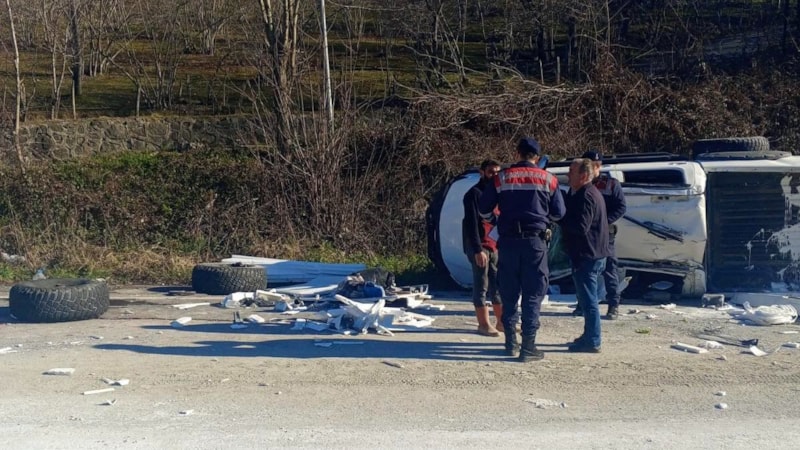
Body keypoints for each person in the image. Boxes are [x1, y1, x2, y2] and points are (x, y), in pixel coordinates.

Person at [479, 137, 565, 362]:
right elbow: (559, 213)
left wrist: (497, 223)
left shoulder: (501, 177)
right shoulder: (548, 179)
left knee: (509, 293)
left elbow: (483, 209)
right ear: (537, 156)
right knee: (533, 294)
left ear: (517, 153)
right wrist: (543, 219)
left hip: (508, 242)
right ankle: (528, 346)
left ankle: (510, 343)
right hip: (535, 243)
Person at [561, 158, 610, 353]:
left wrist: (560, 219)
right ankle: (589, 334)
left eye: (571, 171)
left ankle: (593, 340)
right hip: (589, 252)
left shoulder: (587, 195)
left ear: (582, 176)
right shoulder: (581, 193)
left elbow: (581, 227)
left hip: (588, 254)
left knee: (589, 300)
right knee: (586, 298)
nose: (568, 175)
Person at [572, 150, 627, 320]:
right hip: (584, 234)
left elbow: (621, 207)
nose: (594, 167)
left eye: (597, 164)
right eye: (591, 164)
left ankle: (613, 304)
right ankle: (582, 303)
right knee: (582, 270)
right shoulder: (580, 184)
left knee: (609, 269)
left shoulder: (610, 184)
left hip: (605, 233)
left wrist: (604, 221)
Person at [462, 159, 503, 337]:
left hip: (495, 245)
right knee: (482, 285)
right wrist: (477, 249)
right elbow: (470, 224)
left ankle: (501, 322)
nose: (494, 175)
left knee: (498, 285)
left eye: (497, 172)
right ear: (482, 172)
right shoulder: (473, 194)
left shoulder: (499, 193)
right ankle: (483, 324)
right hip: (479, 246)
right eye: (491, 172)